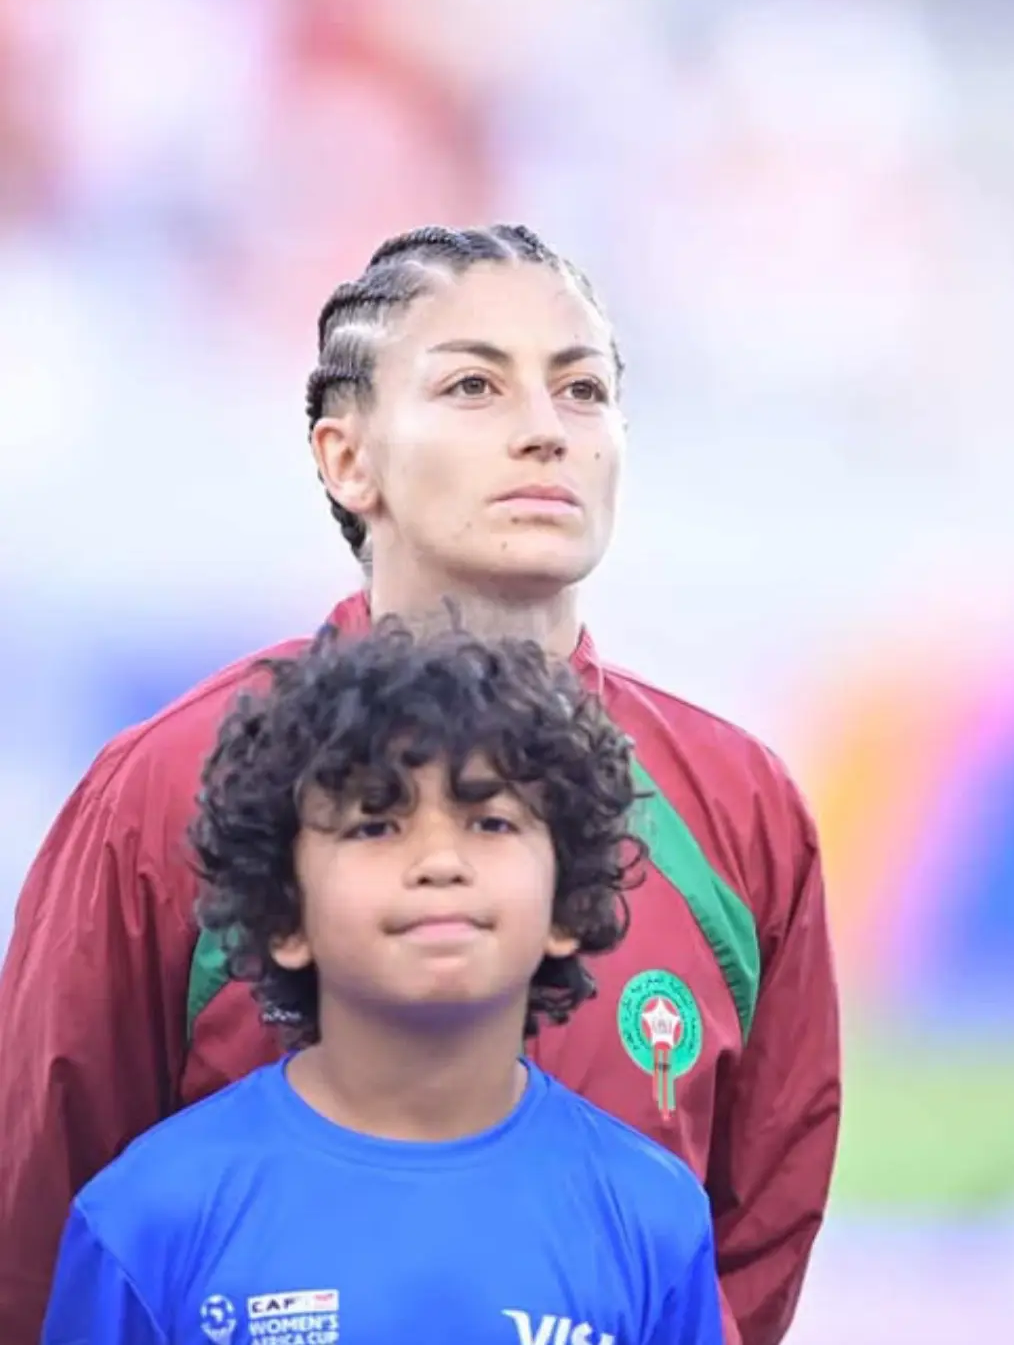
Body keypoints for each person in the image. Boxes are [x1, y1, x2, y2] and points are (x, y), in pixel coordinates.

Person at [0, 223, 840, 1345]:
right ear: (346, 457)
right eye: (474, 386)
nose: (545, 431)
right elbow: (42, 1226)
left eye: (583, 390)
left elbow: (751, 1240)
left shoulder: (737, 803)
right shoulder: (166, 786)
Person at [41, 619, 723, 1345]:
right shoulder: (149, 1218)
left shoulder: (654, 1217)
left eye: (489, 823)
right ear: (285, 915)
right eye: (375, 825)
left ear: (565, 905)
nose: (439, 862)